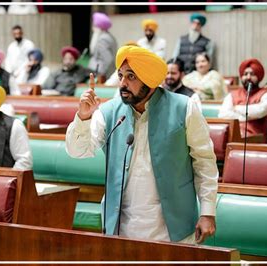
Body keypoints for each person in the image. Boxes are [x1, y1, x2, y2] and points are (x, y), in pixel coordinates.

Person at [66, 45, 218, 244]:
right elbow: (77, 151)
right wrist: (83, 118)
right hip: (121, 228)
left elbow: (204, 161)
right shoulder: (109, 112)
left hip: (173, 230)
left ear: (150, 79)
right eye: (120, 76)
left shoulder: (184, 108)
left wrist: (207, 212)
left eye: (131, 77)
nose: (123, 83)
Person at [218, 58, 267, 142]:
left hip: (254, 139)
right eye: (245, 74)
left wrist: (236, 108)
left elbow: (259, 111)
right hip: (232, 136)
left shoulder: (266, 94)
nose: (248, 77)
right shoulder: (232, 94)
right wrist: (248, 116)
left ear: (258, 76)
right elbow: (223, 115)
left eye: (252, 74)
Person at [88, 12, 118, 80]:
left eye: (94, 26)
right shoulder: (110, 36)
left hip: (100, 73)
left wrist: (101, 74)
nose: (93, 28)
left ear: (99, 27)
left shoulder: (102, 39)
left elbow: (108, 59)